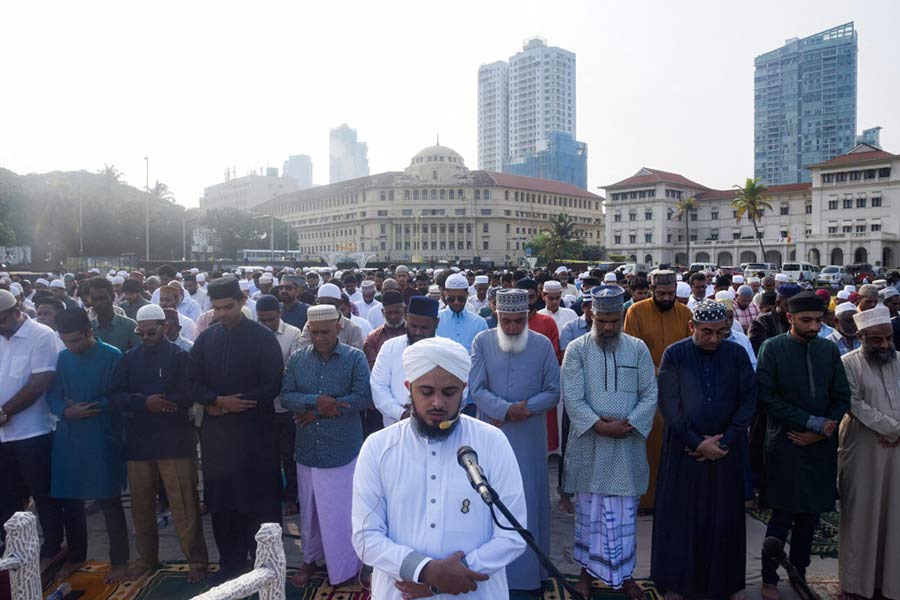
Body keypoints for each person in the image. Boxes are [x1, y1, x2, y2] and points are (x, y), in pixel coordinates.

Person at [351, 337, 527, 600]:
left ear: (463, 390)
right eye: (426, 391)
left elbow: (513, 534)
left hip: (474, 592)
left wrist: (456, 575)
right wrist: (426, 571)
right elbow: (366, 537)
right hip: (401, 592)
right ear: (408, 388)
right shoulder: (379, 447)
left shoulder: (492, 442)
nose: (437, 403)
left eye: (448, 392)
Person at [651, 299, 757, 600]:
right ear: (692, 326)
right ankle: (676, 583)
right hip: (684, 452)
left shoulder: (736, 353)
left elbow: (748, 401)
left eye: (720, 333)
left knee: (725, 518)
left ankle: (723, 584)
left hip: (727, 453)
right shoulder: (676, 354)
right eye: (706, 332)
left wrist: (724, 442)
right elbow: (669, 405)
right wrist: (697, 442)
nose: (713, 339)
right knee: (680, 518)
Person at [561, 286, 657, 599]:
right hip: (590, 447)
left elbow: (650, 394)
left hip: (626, 447)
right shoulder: (576, 349)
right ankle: (586, 576)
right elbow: (573, 398)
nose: (608, 327)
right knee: (589, 518)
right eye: (602, 320)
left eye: (614, 321)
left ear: (622, 318)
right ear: (591, 315)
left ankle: (626, 577)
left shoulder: (638, 349)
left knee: (625, 518)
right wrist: (601, 427)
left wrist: (626, 425)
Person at [188, 277, 284, 581]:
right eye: (216, 308)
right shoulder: (206, 339)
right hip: (219, 440)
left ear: (243, 301)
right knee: (223, 505)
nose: (221, 314)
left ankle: (265, 570)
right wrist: (215, 400)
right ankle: (231, 567)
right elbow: (190, 381)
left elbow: (271, 384)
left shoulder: (262, 337)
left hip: (256, 437)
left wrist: (237, 403)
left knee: (259, 506)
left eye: (227, 307)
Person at [757, 291, 851, 599]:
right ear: (790, 318)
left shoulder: (827, 350)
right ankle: (769, 579)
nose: (813, 327)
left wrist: (824, 431)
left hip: (820, 448)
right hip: (786, 444)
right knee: (781, 518)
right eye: (806, 321)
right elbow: (768, 398)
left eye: (817, 320)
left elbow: (841, 396)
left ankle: (799, 574)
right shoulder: (772, 348)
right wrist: (811, 423)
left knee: (809, 520)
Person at [470, 288, 560, 594]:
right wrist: (506, 410)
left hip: (529, 438)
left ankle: (529, 575)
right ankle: (492, 574)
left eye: (518, 321)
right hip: (492, 436)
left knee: (528, 500)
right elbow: (476, 388)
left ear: (527, 317)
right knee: (491, 499)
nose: (511, 328)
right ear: (496, 316)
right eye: (506, 321)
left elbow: (553, 391)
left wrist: (525, 410)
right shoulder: (482, 342)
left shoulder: (542, 345)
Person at [110, 305, 208, 582]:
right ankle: (146, 558)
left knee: (184, 504)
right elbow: (116, 395)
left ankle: (197, 561)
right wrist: (145, 402)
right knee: (140, 505)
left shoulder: (179, 356)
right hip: (140, 442)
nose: (147, 336)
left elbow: (189, 393)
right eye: (142, 332)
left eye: (152, 331)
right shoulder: (129, 358)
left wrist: (163, 404)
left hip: (174, 440)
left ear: (164, 327)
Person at [281, 305, 371, 588]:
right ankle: (310, 559)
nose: (320, 338)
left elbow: (362, 397)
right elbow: (286, 397)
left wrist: (317, 411)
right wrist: (316, 400)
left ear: (339, 329)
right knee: (310, 511)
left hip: (342, 449)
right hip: (309, 449)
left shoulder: (355, 358)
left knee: (341, 512)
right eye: (315, 332)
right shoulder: (297, 359)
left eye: (326, 332)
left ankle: (346, 565)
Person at [48, 308, 129, 583]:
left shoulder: (112, 356)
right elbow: (53, 396)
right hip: (70, 437)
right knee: (70, 501)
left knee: (109, 501)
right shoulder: (61, 358)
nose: (72, 346)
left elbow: (118, 396)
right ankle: (75, 557)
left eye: (77, 340)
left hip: (101, 435)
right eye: (67, 341)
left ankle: (119, 561)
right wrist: (65, 411)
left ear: (90, 332)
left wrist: (91, 408)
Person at [836, 305, 900, 600]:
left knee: (893, 515)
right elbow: (853, 403)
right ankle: (857, 584)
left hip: (897, 451)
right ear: (861, 336)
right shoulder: (848, 363)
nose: (884, 345)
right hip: (863, 447)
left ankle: (890, 584)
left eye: (888, 339)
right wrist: (891, 429)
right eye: (877, 340)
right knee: (862, 512)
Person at [0, 289, 67, 569]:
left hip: (33, 432)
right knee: (6, 495)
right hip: (3, 435)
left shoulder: (41, 335)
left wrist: (5, 412)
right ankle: (15, 550)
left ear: (16, 312)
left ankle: (52, 547)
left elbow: (40, 382)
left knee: (43, 494)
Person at [622, 269, 692, 511]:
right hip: (644, 392)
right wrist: (657, 373)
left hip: (678, 392)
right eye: (661, 293)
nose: (666, 298)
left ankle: (673, 501)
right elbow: (630, 351)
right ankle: (647, 502)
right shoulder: (636, 312)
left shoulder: (685, 313)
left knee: (676, 447)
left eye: (670, 293)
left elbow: (690, 351)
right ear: (651, 290)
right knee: (648, 448)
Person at [256, 294, 303, 516]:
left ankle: (291, 497)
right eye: (262, 320)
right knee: (266, 455)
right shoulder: (253, 335)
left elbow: (292, 370)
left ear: (279, 314)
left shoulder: (294, 334)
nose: (266, 325)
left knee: (289, 455)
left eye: (271, 320)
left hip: (285, 407)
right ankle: (271, 495)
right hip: (262, 406)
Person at [371, 297, 441, 427]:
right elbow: (378, 386)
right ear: (407, 319)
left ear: (436, 323)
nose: (418, 332)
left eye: (424, 327)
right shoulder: (390, 347)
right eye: (413, 326)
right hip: (395, 426)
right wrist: (401, 414)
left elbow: (459, 389)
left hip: (436, 425)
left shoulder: (446, 350)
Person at [297, 283, 365, 350]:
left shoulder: (352, 328)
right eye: (322, 304)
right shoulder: (311, 324)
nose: (325, 308)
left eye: (330, 304)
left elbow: (356, 357)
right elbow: (302, 351)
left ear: (340, 303)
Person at [87, 277, 141, 353]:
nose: (99, 303)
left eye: (102, 298)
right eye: (95, 299)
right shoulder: (88, 330)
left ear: (112, 297)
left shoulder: (130, 326)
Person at [436, 273, 488, 352]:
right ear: (445, 294)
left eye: (460, 299)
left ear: (467, 295)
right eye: (452, 299)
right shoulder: (435, 321)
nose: (456, 302)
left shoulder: (480, 323)